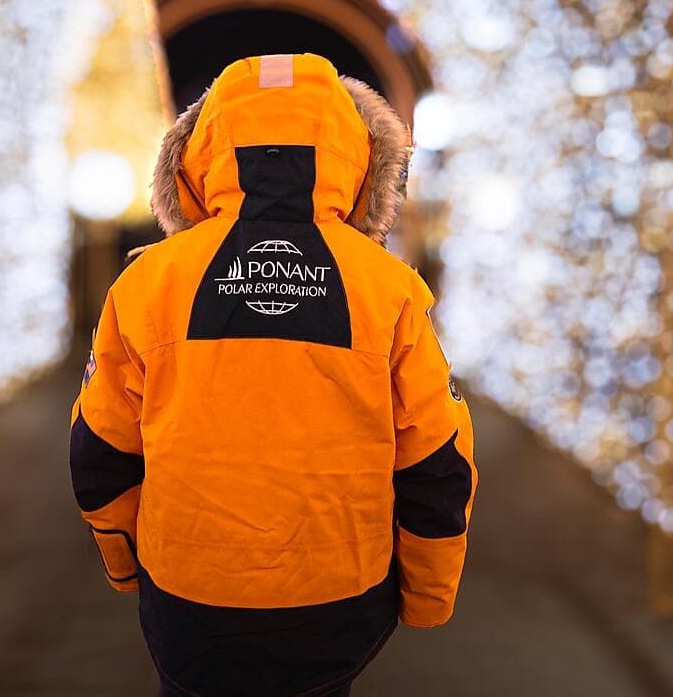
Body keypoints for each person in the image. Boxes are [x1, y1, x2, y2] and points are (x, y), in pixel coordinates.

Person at [69, 53, 477, 696]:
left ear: (202, 150)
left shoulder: (149, 284)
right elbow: (436, 458)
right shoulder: (389, 290)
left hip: (188, 600)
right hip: (338, 603)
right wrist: (428, 594)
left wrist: (129, 563)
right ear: (356, 155)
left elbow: (99, 451)